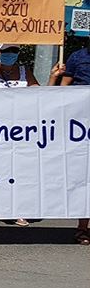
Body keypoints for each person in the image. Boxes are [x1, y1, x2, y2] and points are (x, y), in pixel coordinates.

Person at [0, 43, 62, 228]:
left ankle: (18, 209)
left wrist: (53, 77)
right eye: (6, 51)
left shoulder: (24, 71)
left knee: (18, 171)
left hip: (18, 132)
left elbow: (41, 96)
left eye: (14, 51)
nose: (10, 54)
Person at [60, 36, 90, 245]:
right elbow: (65, 87)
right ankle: (83, 228)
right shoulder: (77, 57)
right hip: (82, 124)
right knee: (85, 175)